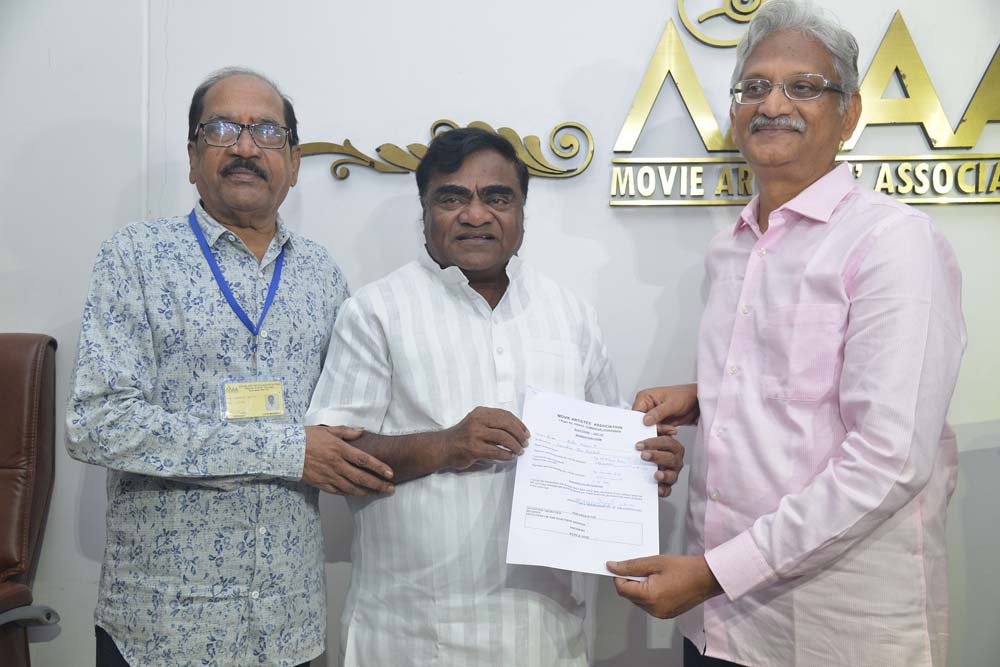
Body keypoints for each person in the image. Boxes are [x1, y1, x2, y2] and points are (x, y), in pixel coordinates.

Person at [607, 2, 966, 666]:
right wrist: (706, 397)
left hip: (834, 630)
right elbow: (796, 383)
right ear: (735, 113)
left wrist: (715, 571)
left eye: (803, 86)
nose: (772, 104)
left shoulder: (892, 243)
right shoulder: (730, 249)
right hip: (715, 626)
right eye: (754, 87)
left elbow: (889, 457)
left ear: (849, 114)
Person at [305, 127, 683, 665]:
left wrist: (647, 464)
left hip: (545, 635)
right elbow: (333, 458)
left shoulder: (569, 314)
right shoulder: (375, 312)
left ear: (522, 212)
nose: (475, 214)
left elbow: (607, 455)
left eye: (497, 198)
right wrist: (446, 446)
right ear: (424, 211)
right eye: (452, 198)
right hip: (410, 636)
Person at [66, 67, 394, 667]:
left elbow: (351, 425)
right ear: (193, 157)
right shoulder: (136, 257)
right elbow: (98, 424)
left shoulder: (323, 276)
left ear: (294, 163)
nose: (245, 147)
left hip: (289, 628)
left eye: (267, 132)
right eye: (222, 129)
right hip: (162, 629)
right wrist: (284, 450)